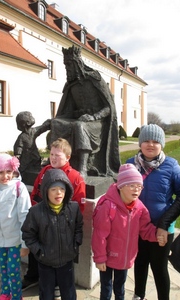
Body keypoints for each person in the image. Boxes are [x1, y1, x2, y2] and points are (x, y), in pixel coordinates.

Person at [126, 124, 180, 300]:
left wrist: (167, 220)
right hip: (136, 227)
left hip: (161, 228)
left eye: (155, 141)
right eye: (146, 140)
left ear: (162, 144)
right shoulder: (131, 164)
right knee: (139, 262)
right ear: (140, 143)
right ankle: (139, 295)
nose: (150, 144)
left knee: (159, 267)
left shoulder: (171, 166)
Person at [91, 163, 165, 300]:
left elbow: (145, 228)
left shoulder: (139, 207)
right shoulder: (108, 206)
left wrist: (156, 235)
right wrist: (99, 258)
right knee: (106, 289)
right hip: (107, 258)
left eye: (139, 186)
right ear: (121, 186)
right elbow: (99, 235)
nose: (136, 190)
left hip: (124, 258)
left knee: (120, 288)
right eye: (132, 185)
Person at [22, 138, 86, 291]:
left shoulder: (75, 177)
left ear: (67, 157)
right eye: (51, 154)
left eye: (58, 155)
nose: (53, 158)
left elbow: (79, 205)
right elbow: (36, 193)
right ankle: (32, 276)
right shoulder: (45, 171)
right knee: (36, 252)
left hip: (62, 225)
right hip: (42, 221)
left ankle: (57, 284)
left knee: (60, 257)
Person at [49, 45, 120, 178]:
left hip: (98, 122)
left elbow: (109, 107)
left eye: (69, 65)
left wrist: (93, 117)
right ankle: (56, 160)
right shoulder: (71, 85)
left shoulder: (95, 78)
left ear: (77, 63)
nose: (67, 69)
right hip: (80, 119)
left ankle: (83, 166)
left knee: (79, 126)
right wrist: (55, 120)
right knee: (56, 123)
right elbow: (68, 111)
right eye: (66, 66)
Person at [0, 153, 31, 300]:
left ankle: (16, 296)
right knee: (3, 268)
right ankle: (5, 292)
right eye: (0, 172)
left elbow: (25, 216)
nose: (5, 176)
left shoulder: (18, 188)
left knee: (13, 270)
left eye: (8, 172)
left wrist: (25, 243)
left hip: (14, 238)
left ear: (13, 171)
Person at [14, 111, 50, 182]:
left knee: (37, 159)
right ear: (27, 122)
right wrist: (18, 154)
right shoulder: (22, 137)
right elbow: (19, 146)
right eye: (30, 116)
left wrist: (48, 124)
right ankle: (22, 178)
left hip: (33, 150)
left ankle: (37, 172)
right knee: (23, 167)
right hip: (26, 154)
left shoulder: (33, 131)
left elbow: (41, 128)